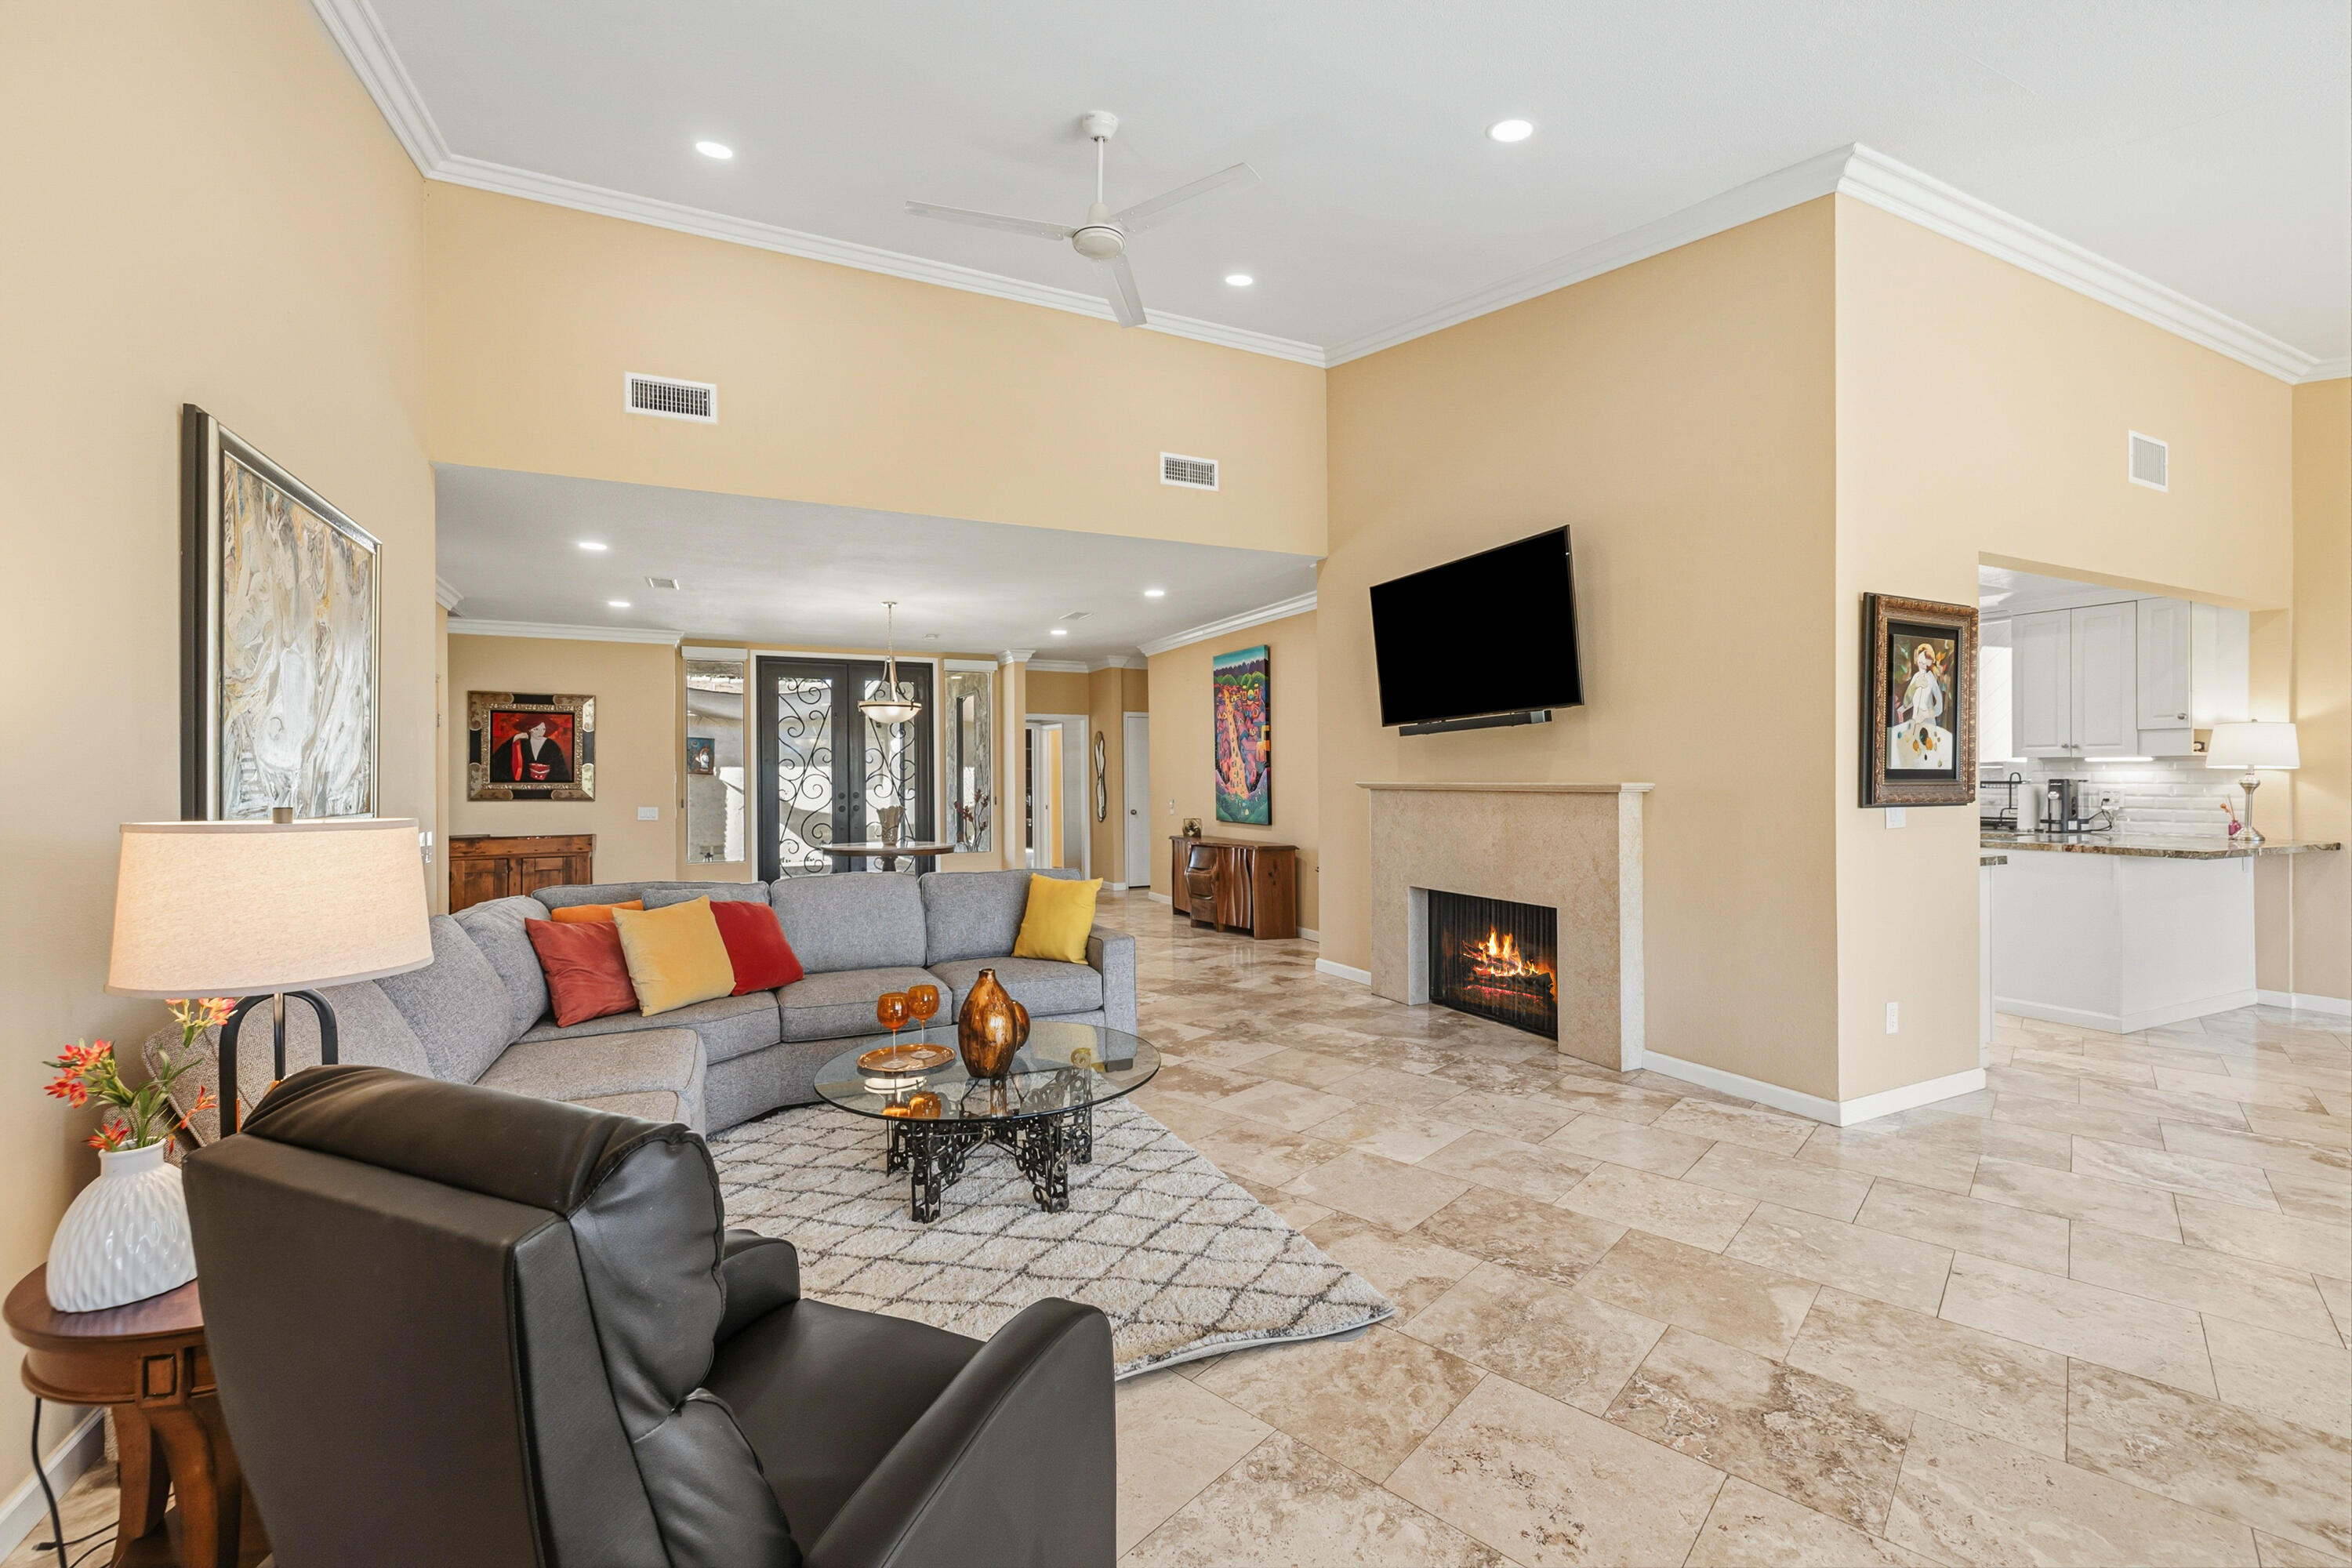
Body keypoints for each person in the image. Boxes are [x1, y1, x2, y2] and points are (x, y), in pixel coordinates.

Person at [1890, 641, 1951, 769]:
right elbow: (1908, 700)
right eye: (1922, 657)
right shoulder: (1917, 677)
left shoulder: (1931, 678)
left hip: (1927, 723)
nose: (1923, 661)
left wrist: (1926, 714)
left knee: (1927, 756)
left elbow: (1939, 707)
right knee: (1913, 756)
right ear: (1917, 657)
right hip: (1915, 723)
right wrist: (1915, 686)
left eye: (1927, 658)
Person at [491, 717, 572, 785]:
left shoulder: (551, 744)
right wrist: (514, 739)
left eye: (543, 729)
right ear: (529, 729)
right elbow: (498, 759)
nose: (541, 732)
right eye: (537, 729)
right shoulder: (521, 742)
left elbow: (560, 768)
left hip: (547, 784)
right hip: (523, 784)